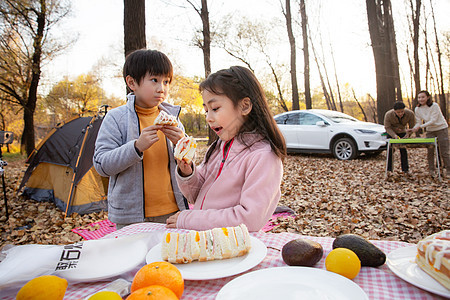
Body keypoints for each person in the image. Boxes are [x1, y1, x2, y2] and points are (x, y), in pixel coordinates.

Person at [166, 66, 286, 232]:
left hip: (233, 248)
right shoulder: (219, 147)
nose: (208, 118)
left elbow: (249, 219)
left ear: (244, 106)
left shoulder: (263, 156)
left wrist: (189, 219)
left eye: (215, 109)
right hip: (206, 241)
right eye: (206, 110)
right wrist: (187, 173)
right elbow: (195, 195)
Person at [93, 49, 188, 229]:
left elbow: (188, 167)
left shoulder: (173, 118)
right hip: (130, 217)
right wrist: (136, 147)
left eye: (166, 82)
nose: (162, 88)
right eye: (154, 80)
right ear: (132, 82)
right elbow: (101, 165)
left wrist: (182, 145)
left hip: (172, 212)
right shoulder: (116, 118)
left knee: (165, 257)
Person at [408, 90, 449, 177]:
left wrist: (420, 127)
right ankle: (431, 170)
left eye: (423, 97)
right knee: (430, 150)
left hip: (441, 128)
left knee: (444, 151)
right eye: (419, 97)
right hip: (430, 131)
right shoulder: (417, 109)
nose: (421, 99)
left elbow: (433, 120)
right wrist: (415, 128)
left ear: (428, 97)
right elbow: (418, 122)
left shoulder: (434, 106)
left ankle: (448, 170)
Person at [384, 101, 415, 173]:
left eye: (402, 111)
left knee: (403, 150)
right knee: (390, 150)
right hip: (391, 132)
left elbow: (412, 127)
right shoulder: (388, 115)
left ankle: (405, 170)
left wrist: (408, 135)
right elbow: (387, 127)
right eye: (398, 112)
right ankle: (389, 170)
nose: (400, 114)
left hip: (403, 132)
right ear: (394, 111)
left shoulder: (410, 114)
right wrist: (394, 135)